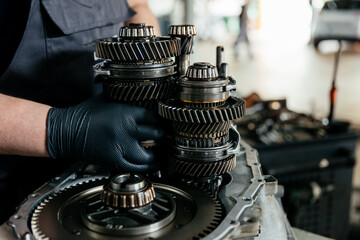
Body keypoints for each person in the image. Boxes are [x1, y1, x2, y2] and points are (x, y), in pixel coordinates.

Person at [0, 0, 162, 224]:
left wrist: (147, 68)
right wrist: (62, 129)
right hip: (16, 198)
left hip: (104, 173)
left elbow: (138, 5)